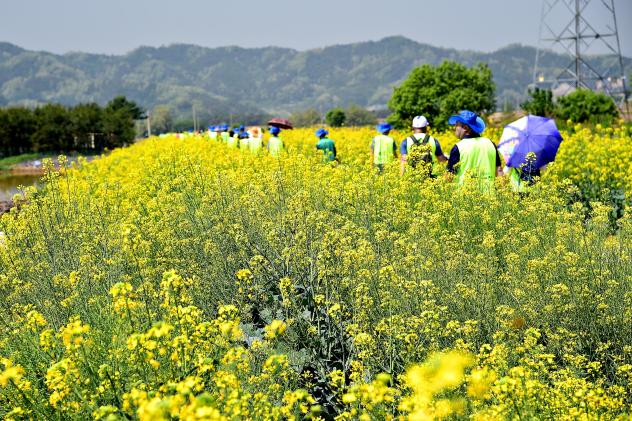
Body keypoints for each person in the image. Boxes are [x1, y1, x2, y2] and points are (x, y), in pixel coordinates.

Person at [446, 110, 502, 190]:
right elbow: (499, 171)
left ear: (465, 128)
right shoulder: (490, 143)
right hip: (490, 198)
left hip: (465, 198)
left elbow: (449, 177)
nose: (454, 128)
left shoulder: (458, 147)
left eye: (456, 125)